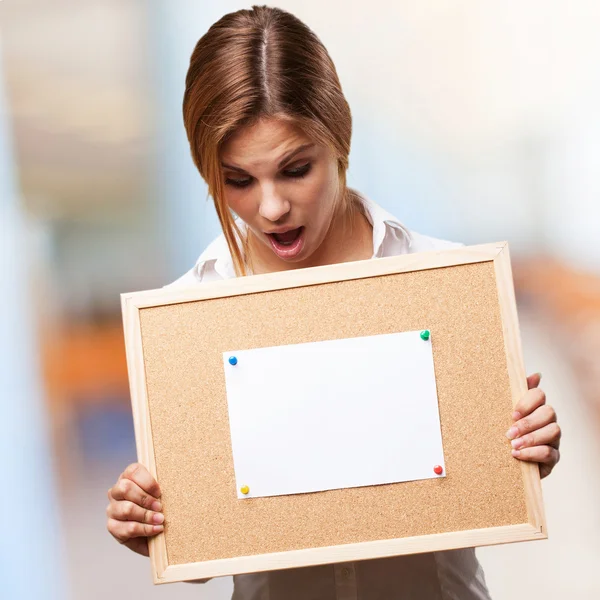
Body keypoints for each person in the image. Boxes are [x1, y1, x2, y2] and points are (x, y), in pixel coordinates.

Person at [106, 6, 561, 599]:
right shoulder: (188, 316)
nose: (271, 207)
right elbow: (202, 557)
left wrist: (523, 453)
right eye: (238, 180)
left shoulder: (445, 284)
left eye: (295, 170)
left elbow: (491, 480)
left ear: (338, 141)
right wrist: (155, 525)